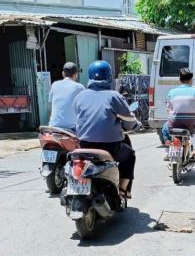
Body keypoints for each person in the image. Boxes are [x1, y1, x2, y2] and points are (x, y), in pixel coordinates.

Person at [74, 60, 139, 198]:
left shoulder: (80, 97)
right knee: (129, 156)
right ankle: (122, 189)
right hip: (110, 148)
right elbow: (129, 121)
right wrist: (135, 125)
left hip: (84, 146)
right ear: (109, 77)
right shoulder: (114, 96)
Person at [162, 68, 195, 162]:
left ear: (179, 79)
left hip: (173, 125)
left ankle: (167, 150)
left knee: (164, 128)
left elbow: (168, 108)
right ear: (191, 80)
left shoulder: (171, 92)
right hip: (191, 126)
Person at [48, 62, 84, 131]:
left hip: (53, 127)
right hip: (71, 128)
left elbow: (50, 107)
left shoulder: (55, 85)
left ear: (63, 74)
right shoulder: (79, 87)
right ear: (76, 75)